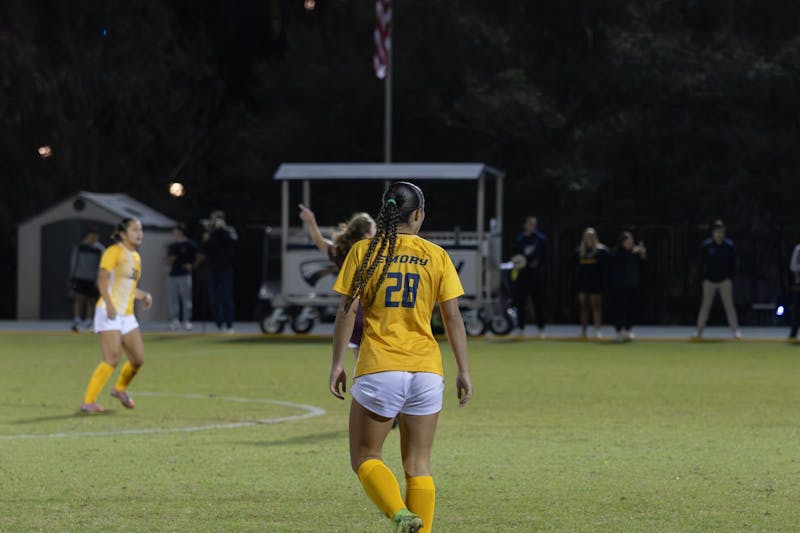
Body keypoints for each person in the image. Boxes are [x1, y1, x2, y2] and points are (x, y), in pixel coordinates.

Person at [328, 181, 473, 533]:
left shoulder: (365, 251)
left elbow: (347, 311)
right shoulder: (436, 255)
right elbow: (452, 317)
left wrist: (337, 364)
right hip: (427, 371)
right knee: (418, 465)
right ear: (418, 214)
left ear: (387, 212)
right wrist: (463, 371)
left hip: (381, 368)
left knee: (365, 457)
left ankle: (399, 514)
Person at [80, 218, 153, 413]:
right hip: (108, 311)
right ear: (122, 233)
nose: (140, 233)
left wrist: (143, 295)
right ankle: (88, 402)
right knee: (112, 359)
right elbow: (102, 281)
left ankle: (119, 389)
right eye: (135, 229)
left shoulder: (136, 257)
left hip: (127, 315)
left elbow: (128, 288)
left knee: (138, 360)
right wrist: (110, 305)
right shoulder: (113, 252)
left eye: (141, 229)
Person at [298, 204, 376, 356]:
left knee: (360, 366)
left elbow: (319, 241)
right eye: (375, 229)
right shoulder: (372, 253)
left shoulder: (341, 251)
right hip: (370, 313)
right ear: (367, 235)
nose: (377, 232)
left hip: (351, 314)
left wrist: (311, 221)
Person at [694, 220, 741, 339]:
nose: (719, 233)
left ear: (724, 231)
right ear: (713, 232)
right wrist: (702, 278)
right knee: (705, 306)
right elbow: (700, 264)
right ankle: (699, 332)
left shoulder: (729, 246)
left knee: (729, 306)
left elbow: (734, 263)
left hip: (725, 281)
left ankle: (736, 332)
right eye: (717, 231)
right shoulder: (706, 246)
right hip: (709, 281)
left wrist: (731, 277)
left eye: (721, 231)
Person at [511, 216, 548, 337]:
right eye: (529, 224)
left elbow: (547, 255)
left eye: (534, 224)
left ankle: (541, 328)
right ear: (525, 225)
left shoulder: (541, 239)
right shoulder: (520, 239)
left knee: (539, 303)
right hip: (523, 275)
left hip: (536, 276)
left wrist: (538, 262)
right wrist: (519, 262)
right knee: (521, 302)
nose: (531, 226)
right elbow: (515, 255)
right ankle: (520, 328)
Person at [202, 210, 237, 333]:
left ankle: (229, 324)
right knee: (214, 298)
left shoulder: (229, 231)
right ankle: (219, 323)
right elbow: (205, 247)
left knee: (226, 297)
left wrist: (224, 229)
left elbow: (234, 244)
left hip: (226, 269)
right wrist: (210, 232)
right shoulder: (210, 232)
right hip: (212, 268)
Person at [610, 231, 647, 342]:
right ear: (622, 242)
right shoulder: (617, 253)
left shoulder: (635, 253)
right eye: (627, 241)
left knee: (632, 309)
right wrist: (632, 252)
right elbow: (618, 265)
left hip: (633, 285)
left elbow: (644, 265)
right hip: (619, 286)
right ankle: (618, 331)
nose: (630, 243)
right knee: (620, 309)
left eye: (631, 241)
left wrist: (642, 254)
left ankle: (628, 330)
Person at [68, 228, 105, 332]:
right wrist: (72, 276)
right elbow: (74, 261)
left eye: (96, 236)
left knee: (91, 300)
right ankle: (77, 320)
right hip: (80, 277)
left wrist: (99, 279)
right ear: (87, 236)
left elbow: (102, 265)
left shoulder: (100, 249)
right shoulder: (80, 247)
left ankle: (89, 320)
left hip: (93, 279)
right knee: (79, 299)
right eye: (92, 236)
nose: (94, 238)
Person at [575, 227, 609, 338]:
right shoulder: (580, 251)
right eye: (587, 237)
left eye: (591, 236)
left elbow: (608, 266)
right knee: (584, 308)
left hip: (596, 283)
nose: (589, 239)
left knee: (596, 307)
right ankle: (583, 332)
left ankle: (597, 330)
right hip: (583, 284)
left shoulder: (601, 251)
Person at [166, 223, 198, 331]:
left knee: (186, 299)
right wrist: (172, 259)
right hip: (173, 274)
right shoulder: (172, 246)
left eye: (175, 231)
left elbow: (197, 257)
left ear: (180, 231)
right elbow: (169, 260)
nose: (174, 233)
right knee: (173, 298)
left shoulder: (190, 244)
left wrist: (192, 265)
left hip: (185, 274)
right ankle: (175, 320)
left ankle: (187, 320)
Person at [787, 239, 800, 340]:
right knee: (797, 309)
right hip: (799, 283)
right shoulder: (798, 248)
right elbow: (792, 266)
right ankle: (793, 334)